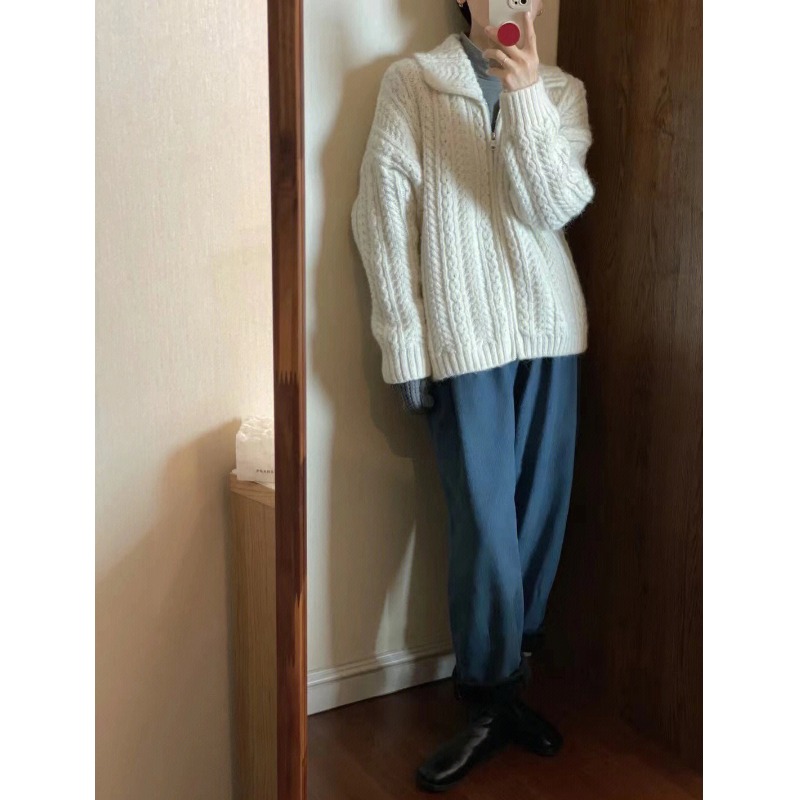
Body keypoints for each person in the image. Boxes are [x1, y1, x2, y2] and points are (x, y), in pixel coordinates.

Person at [351, 0, 594, 792]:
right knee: (486, 523)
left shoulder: (561, 92)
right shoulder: (412, 83)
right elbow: (383, 219)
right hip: (464, 338)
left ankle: (513, 680)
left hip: (551, 332)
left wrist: (524, 98)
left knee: (539, 513)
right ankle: (487, 696)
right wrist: (404, 342)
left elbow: (554, 205)